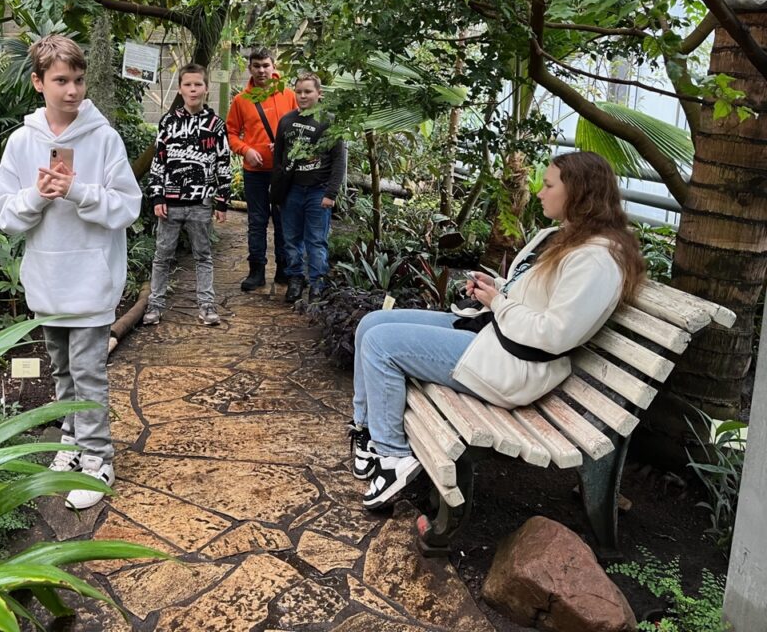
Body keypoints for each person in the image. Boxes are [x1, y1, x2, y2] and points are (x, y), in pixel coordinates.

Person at [349, 151, 646, 510]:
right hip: (494, 337)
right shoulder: (563, 237)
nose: (539, 193)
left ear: (579, 193)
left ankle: (393, 458)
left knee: (381, 344)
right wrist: (498, 288)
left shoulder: (597, 260)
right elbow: (536, 298)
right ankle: (367, 431)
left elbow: (555, 334)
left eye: (549, 185)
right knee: (372, 323)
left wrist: (498, 303)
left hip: (514, 366)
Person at [0, 34, 142, 510]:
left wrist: (77, 191)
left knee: (88, 373)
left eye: (78, 79)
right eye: (61, 80)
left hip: (92, 283)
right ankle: (72, 442)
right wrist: (39, 195)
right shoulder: (22, 142)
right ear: (39, 82)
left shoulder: (104, 138)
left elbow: (128, 207)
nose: (72, 90)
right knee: (62, 371)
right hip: (47, 283)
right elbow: (4, 213)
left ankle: (98, 462)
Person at [143, 63, 231, 326]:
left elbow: (223, 162)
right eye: (188, 85)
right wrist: (157, 196)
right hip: (170, 203)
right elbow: (158, 161)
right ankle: (155, 305)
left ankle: (207, 306)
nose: (193, 89)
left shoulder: (215, 125)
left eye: (198, 84)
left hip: (200, 203)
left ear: (206, 88)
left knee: (203, 255)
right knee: (162, 256)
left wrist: (222, 200)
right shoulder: (168, 122)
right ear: (180, 89)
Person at [226, 46, 298, 291]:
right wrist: (246, 150)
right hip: (254, 171)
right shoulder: (241, 100)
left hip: (282, 171)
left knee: (282, 220)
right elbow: (231, 133)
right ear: (250, 68)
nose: (261, 70)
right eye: (256, 66)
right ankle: (256, 271)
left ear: (274, 67)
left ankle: (283, 269)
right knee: (257, 221)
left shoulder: (288, 95)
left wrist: (285, 145)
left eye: (266, 65)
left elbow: (301, 128)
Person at [273, 73, 347, 303]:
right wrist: (277, 192)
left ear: (319, 94)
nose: (303, 96)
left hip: (318, 191)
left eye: (308, 91)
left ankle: (317, 284)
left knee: (316, 240)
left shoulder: (330, 122)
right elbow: (278, 159)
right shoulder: (286, 121)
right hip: (292, 190)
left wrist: (331, 193)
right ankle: (295, 279)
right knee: (291, 239)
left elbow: (339, 161)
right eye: (299, 91)